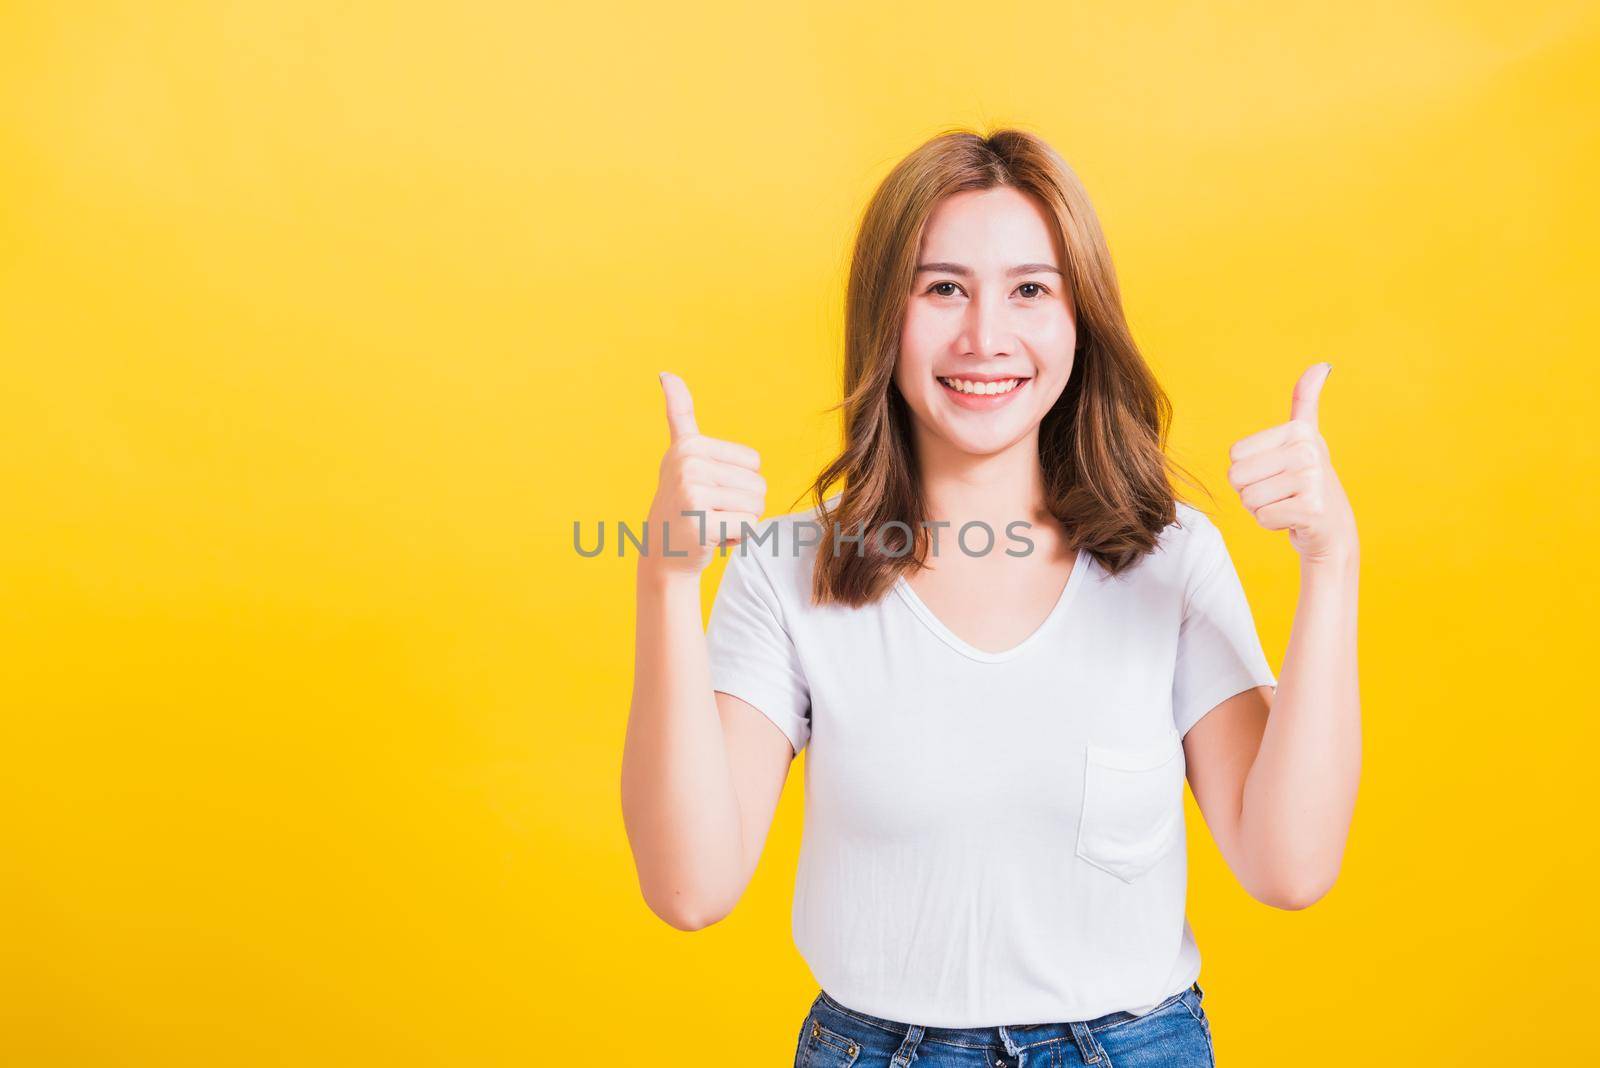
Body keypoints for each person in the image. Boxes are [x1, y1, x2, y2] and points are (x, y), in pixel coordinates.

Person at [620, 128, 1361, 1067]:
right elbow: (691, 889)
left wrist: (1333, 564)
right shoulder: (788, 567)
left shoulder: (1171, 558)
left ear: (1080, 318)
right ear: (884, 315)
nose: (984, 337)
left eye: (1029, 289)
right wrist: (667, 577)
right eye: (942, 288)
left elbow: (1289, 865)